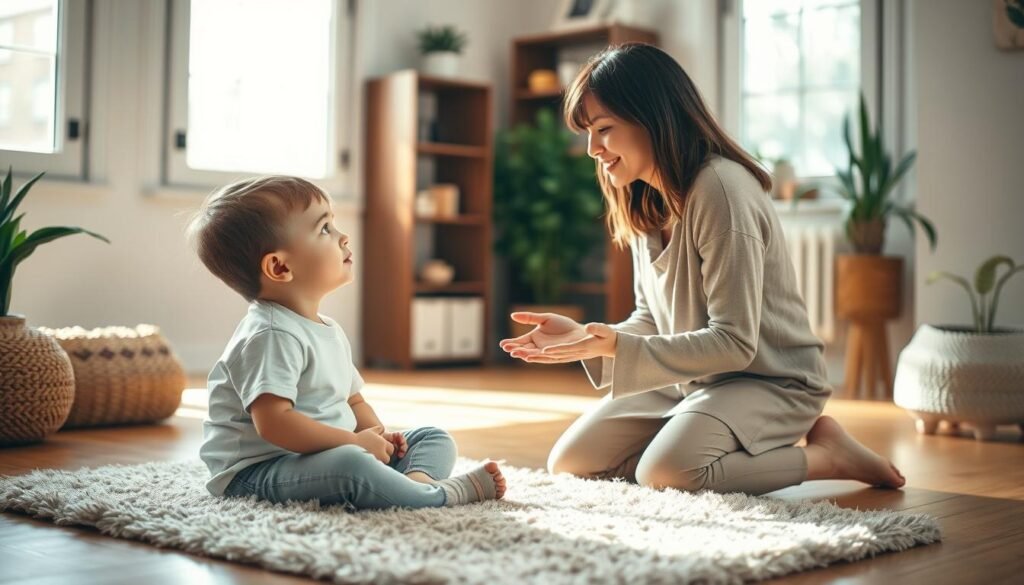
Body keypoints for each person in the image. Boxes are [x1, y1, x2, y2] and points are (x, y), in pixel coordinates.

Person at [500, 44, 905, 496]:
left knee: (668, 474)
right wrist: (585, 337)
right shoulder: (644, 197)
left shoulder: (721, 188)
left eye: (605, 129)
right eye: (589, 133)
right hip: (691, 381)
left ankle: (828, 456)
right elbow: (652, 319)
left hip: (770, 381)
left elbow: (735, 341)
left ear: (653, 119)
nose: (593, 148)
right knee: (572, 463)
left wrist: (617, 346)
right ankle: (689, 442)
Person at [188, 176, 505, 508]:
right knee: (351, 467)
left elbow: (353, 401)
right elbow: (274, 424)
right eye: (325, 229)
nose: (343, 236)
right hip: (259, 469)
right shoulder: (270, 334)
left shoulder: (328, 329)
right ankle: (435, 496)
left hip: (327, 452)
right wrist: (354, 443)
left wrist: (378, 437)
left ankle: (413, 485)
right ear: (280, 266)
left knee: (432, 438)